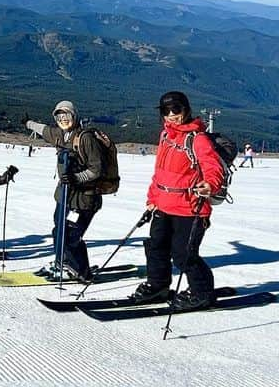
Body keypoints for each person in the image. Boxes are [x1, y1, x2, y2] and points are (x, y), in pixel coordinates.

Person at [128, 91, 224, 311]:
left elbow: (213, 167)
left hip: (190, 207)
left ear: (186, 110)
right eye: (166, 111)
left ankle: (202, 293)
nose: (171, 115)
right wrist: (153, 197)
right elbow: (159, 172)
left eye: (176, 110)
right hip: (163, 204)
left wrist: (210, 184)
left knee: (184, 254)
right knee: (156, 247)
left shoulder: (197, 139)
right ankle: (158, 285)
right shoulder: (165, 136)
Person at [26, 100, 108, 280]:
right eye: (59, 116)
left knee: (72, 235)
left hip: (85, 198)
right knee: (59, 230)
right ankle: (61, 262)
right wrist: (28, 123)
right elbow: (43, 129)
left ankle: (80, 271)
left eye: (67, 115)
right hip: (64, 196)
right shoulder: (58, 134)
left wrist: (76, 178)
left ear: (74, 116)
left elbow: (97, 169)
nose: (63, 119)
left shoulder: (85, 138)